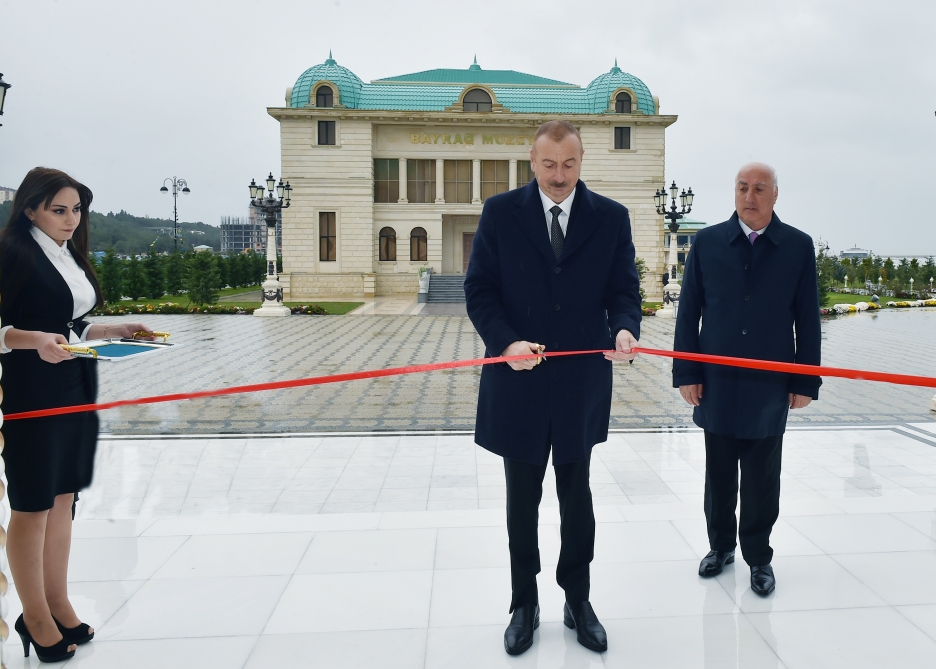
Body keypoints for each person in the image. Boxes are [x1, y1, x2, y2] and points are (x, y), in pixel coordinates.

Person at [465, 120, 642, 655]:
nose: (559, 176)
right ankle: (524, 602)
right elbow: (480, 290)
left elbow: (623, 289)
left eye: (569, 164)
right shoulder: (500, 213)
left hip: (579, 386)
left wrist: (625, 328)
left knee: (577, 499)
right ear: (533, 161)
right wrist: (505, 343)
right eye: (549, 165)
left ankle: (577, 598)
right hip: (517, 383)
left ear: (581, 161)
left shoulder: (611, 218)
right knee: (522, 503)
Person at [0, 168, 153, 662]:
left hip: (75, 382)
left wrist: (113, 328)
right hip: (29, 388)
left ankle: (57, 602)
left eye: (76, 210)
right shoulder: (12, 253)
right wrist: (34, 340)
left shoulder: (65, 254)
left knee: (63, 498)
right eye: (58, 210)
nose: (71, 219)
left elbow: (70, 323)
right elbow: (12, 327)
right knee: (32, 503)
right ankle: (35, 615)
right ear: (30, 209)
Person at [673, 162, 821, 597]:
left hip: (769, 383)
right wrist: (687, 371)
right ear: (733, 193)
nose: (750, 196)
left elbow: (807, 320)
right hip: (715, 381)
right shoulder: (708, 242)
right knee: (718, 473)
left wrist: (804, 381)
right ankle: (719, 547)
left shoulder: (796, 246)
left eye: (759, 188)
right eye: (742, 188)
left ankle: (758, 556)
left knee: (761, 475)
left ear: (776, 194)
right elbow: (689, 312)